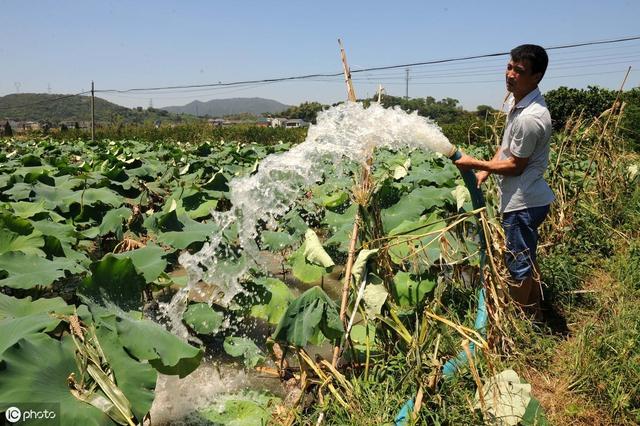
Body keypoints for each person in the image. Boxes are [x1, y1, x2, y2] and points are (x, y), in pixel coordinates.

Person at [454, 44, 554, 318]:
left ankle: (521, 321)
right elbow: (506, 147)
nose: (510, 74)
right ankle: (535, 309)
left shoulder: (530, 118)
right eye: (509, 67)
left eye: (519, 71)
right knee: (525, 258)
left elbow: (514, 165)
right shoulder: (517, 102)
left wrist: (475, 162)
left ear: (536, 77)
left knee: (519, 264)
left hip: (523, 203)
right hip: (527, 198)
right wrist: (485, 173)